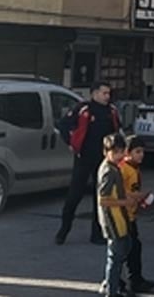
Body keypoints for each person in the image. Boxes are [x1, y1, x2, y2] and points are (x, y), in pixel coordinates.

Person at [55, 81, 121, 245]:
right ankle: (63, 231)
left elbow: (117, 132)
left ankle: (97, 234)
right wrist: (72, 143)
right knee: (74, 195)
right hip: (84, 158)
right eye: (104, 93)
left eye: (108, 93)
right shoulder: (83, 109)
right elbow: (63, 125)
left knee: (100, 197)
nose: (107, 96)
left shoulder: (111, 111)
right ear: (94, 94)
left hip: (104, 161)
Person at [95, 134, 136, 297]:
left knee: (123, 250)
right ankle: (111, 289)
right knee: (115, 256)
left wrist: (129, 197)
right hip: (113, 220)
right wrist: (124, 203)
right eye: (115, 152)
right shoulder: (108, 171)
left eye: (121, 151)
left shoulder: (114, 167)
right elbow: (103, 200)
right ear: (106, 152)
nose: (119, 155)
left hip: (119, 217)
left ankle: (111, 284)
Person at [118, 135, 154, 295]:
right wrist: (140, 196)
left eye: (142, 152)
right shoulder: (123, 169)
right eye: (137, 151)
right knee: (123, 250)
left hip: (131, 215)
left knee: (135, 248)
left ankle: (136, 279)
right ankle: (118, 282)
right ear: (127, 152)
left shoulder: (134, 168)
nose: (141, 155)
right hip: (123, 216)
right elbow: (121, 193)